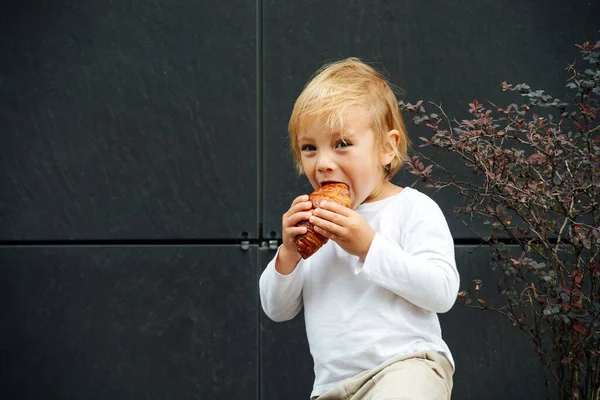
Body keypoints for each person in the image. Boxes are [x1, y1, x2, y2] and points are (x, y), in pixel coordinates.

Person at [259, 57, 459, 400]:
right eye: (310, 148)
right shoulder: (312, 226)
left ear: (386, 147)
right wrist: (289, 253)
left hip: (406, 367)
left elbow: (441, 292)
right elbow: (277, 309)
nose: (323, 163)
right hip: (332, 387)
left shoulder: (412, 209)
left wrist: (369, 246)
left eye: (341, 144)